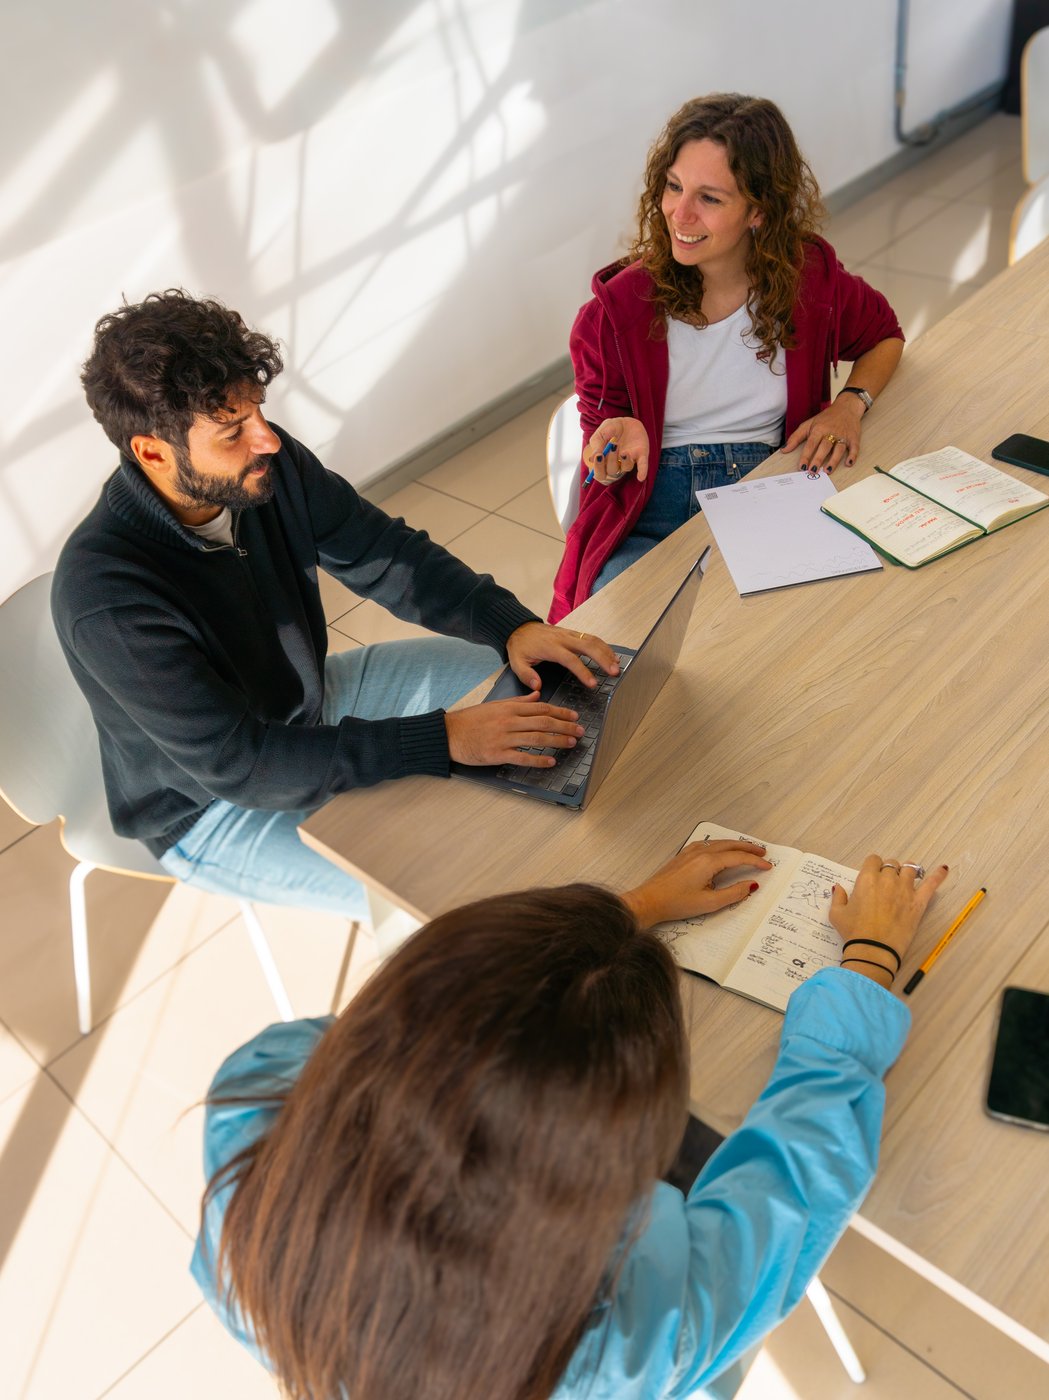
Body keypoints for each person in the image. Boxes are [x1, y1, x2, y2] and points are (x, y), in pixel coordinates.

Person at [193, 838, 947, 1400]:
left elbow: (422, 1022)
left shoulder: (254, 1106)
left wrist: (617, 922)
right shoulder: (626, 1343)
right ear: (588, 1162)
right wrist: (870, 957)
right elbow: (791, 1187)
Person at [52, 290, 619, 921]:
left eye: (258, 410)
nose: (266, 439)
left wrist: (509, 625)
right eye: (233, 431)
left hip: (310, 703)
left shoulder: (264, 465)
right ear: (153, 453)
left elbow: (384, 553)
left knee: (541, 688)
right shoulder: (106, 596)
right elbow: (244, 765)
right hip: (212, 809)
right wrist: (442, 738)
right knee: (452, 897)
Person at [550, 93, 904, 622]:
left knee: (832, 627)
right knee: (623, 637)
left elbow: (885, 336)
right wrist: (608, 458)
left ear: (758, 210)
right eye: (674, 186)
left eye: (709, 198)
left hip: (769, 490)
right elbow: (602, 462)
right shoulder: (613, 314)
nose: (680, 214)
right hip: (651, 511)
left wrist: (850, 404)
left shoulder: (808, 281)